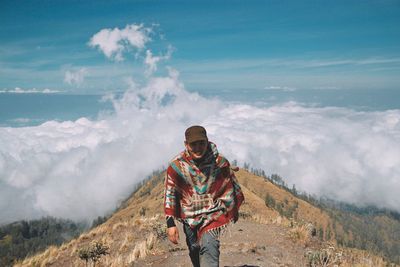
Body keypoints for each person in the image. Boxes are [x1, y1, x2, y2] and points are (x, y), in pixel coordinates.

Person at [164, 125, 244, 267]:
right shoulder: (176, 167)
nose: (198, 147)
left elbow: (229, 184)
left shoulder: (219, 162)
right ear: (186, 145)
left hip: (212, 214)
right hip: (188, 216)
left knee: (209, 246)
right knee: (194, 248)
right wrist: (171, 224)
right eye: (193, 144)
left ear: (207, 141)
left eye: (201, 143)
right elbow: (170, 194)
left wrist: (232, 208)